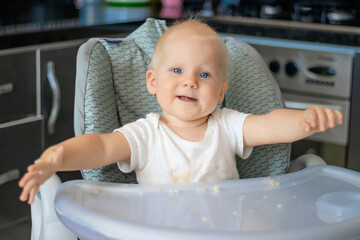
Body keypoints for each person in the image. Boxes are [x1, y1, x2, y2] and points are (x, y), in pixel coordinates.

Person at [19, 19, 343, 204]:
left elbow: (269, 126)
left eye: (204, 75)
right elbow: (101, 146)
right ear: (152, 81)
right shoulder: (146, 134)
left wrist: (303, 121)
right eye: (176, 71)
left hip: (226, 229)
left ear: (220, 92)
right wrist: (60, 155)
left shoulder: (226, 126)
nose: (189, 82)